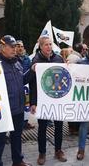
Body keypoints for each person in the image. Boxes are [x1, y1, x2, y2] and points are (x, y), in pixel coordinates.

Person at [0, 35, 32, 166]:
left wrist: (32, 71)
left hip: (18, 109)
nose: (15, 49)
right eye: (12, 47)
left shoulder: (17, 63)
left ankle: (17, 161)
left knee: (16, 137)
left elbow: (22, 81)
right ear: (3, 47)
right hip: (4, 111)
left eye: (15, 47)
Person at [30, 35, 67, 165]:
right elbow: (33, 84)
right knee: (43, 128)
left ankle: (58, 150)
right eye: (46, 44)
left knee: (59, 126)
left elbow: (66, 77)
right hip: (42, 101)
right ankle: (42, 153)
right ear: (40, 46)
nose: (49, 47)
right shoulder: (36, 61)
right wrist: (33, 103)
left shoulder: (58, 58)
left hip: (57, 99)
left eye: (50, 44)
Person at [16, 40, 35, 130]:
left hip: (26, 86)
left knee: (26, 104)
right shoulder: (13, 59)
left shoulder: (27, 59)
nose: (20, 48)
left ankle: (25, 122)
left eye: (21, 46)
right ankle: (18, 123)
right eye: (18, 46)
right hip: (17, 85)